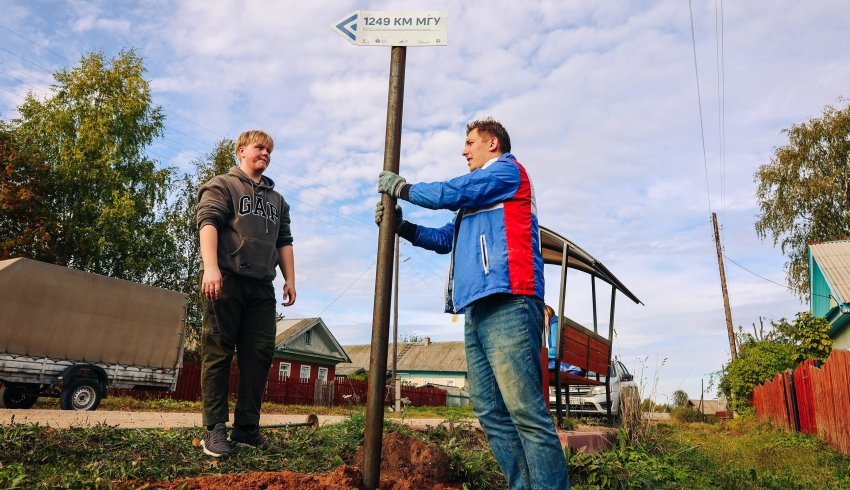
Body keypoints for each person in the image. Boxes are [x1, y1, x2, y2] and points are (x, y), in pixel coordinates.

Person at [376, 118, 569, 489]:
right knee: (491, 411)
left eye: (469, 143)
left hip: (510, 298)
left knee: (525, 412)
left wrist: (403, 188)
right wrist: (402, 227)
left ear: (492, 143)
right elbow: (445, 237)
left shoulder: (507, 173)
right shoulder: (476, 200)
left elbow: (452, 191)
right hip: (476, 307)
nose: (464, 151)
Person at [195, 130, 296, 458]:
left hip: (262, 288)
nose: (265, 153)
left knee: (259, 355)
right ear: (241, 151)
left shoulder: (277, 200)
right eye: (259, 147)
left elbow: (284, 242)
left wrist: (290, 280)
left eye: (269, 150)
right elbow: (208, 222)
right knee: (218, 352)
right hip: (226, 281)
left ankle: (247, 429)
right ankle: (214, 430)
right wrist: (211, 268)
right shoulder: (223, 184)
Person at [544, 305, 582, 375]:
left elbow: (556, 349)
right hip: (571, 361)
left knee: (538, 366)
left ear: (546, 315)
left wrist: (542, 354)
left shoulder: (555, 324)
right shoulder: (556, 323)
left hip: (567, 363)